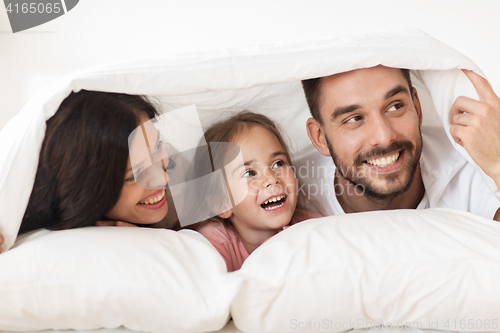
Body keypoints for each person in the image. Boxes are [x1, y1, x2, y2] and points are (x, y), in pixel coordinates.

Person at [301, 65, 500, 220]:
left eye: (395, 106)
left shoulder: (471, 166)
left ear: (416, 107)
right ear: (320, 137)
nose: (384, 136)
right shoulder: (291, 194)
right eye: (354, 119)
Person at [18, 90, 177, 235]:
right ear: (85, 191)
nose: (163, 178)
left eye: (157, 147)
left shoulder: (186, 186)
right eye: (134, 174)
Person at [192, 112, 321, 272]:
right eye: (249, 173)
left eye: (278, 163)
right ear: (221, 204)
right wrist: (265, 261)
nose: (272, 179)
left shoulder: (312, 226)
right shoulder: (213, 243)